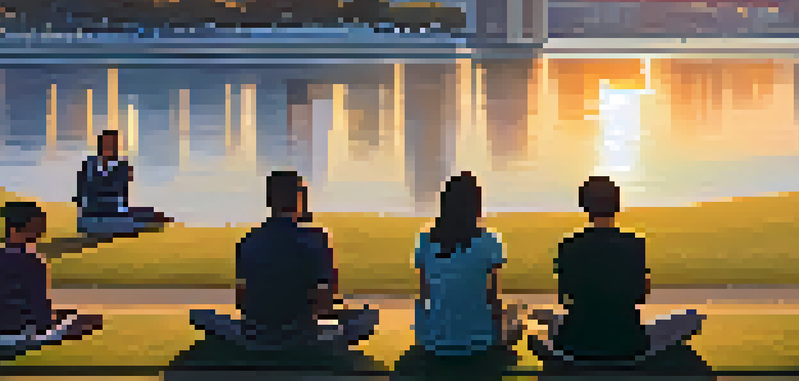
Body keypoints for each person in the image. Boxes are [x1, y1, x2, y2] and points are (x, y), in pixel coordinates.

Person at [189, 170, 378, 350]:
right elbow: (325, 306)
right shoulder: (317, 238)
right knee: (368, 316)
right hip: (303, 338)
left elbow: (242, 303)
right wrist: (343, 314)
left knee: (201, 315)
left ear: (269, 200)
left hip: (255, 335)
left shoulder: (248, 240)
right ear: (300, 198)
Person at [529, 176, 704, 365]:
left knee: (553, 326)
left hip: (575, 343)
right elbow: (640, 297)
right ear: (617, 204)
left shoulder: (568, 246)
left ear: (584, 207)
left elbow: (564, 299)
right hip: (628, 343)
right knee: (691, 318)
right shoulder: (634, 244)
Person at [413, 172, 526, 357]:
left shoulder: (426, 241)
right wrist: (499, 339)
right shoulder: (489, 241)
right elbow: (493, 299)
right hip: (480, 342)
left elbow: (425, 295)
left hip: (433, 341)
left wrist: (424, 332)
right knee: (516, 317)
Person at [0, 201, 103, 347]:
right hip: (24, 334)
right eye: (36, 227)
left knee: (67, 314)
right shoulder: (33, 260)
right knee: (91, 320)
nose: (41, 232)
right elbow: (41, 312)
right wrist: (56, 324)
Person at [74, 130, 170, 237]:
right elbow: (85, 195)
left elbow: (122, 197)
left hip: (116, 211)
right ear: (100, 146)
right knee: (124, 223)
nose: (110, 148)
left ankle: (145, 221)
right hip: (95, 215)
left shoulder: (121, 166)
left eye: (113, 145)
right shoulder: (89, 166)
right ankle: (138, 225)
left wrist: (124, 178)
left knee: (146, 212)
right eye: (107, 145)